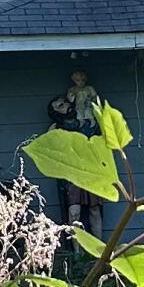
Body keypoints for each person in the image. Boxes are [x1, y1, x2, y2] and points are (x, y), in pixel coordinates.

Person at [42, 65, 106, 224]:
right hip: (70, 174)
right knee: (74, 212)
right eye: (61, 106)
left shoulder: (87, 124)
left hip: (91, 169)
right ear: (56, 113)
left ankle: (98, 248)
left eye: (64, 103)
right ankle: (75, 249)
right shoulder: (57, 129)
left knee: (94, 209)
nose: (66, 106)